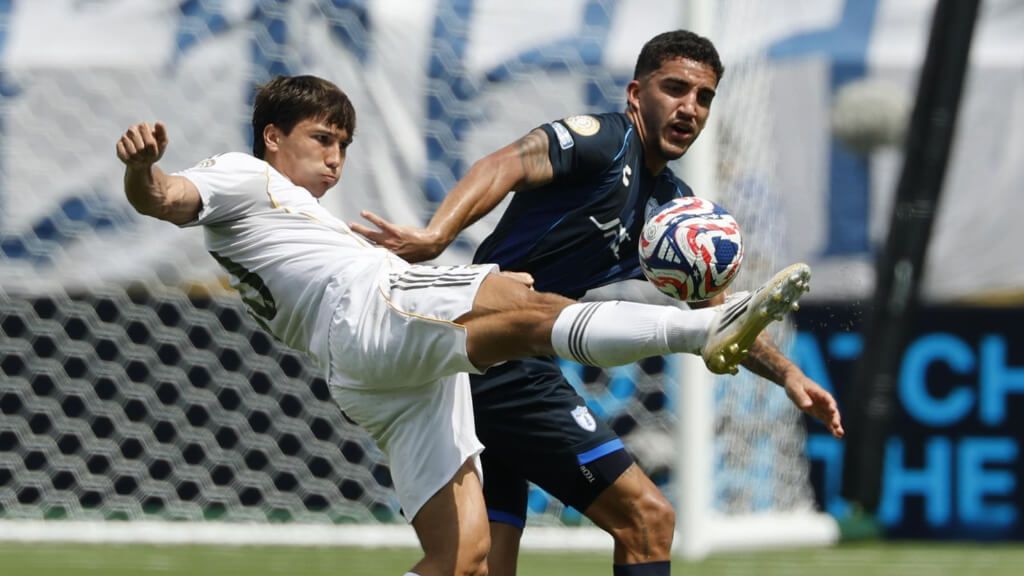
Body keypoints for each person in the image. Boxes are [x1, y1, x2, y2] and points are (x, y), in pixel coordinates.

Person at [118, 74, 822, 576]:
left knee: (463, 561)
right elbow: (169, 198)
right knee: (521, 305)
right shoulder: (244, 175)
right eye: (321, 139)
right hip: (370, 310)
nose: (334, 157)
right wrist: (145, 171)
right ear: (272, 137)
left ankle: (705, 331)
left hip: (374, 376)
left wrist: (785, 370)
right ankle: (702, 336)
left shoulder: (299, 220)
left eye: (343, 144)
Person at [351, 31, 845, 576]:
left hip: (486, 364)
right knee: (647, 519)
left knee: (475, 567)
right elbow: (505, 163)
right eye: (675, 88)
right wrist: (436, 234)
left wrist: (788, 375)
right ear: (636, 93)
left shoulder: (672, 213)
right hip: (499, 358)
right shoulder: (604, 141)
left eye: (703, 97)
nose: (690, 107)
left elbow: (717, 315)